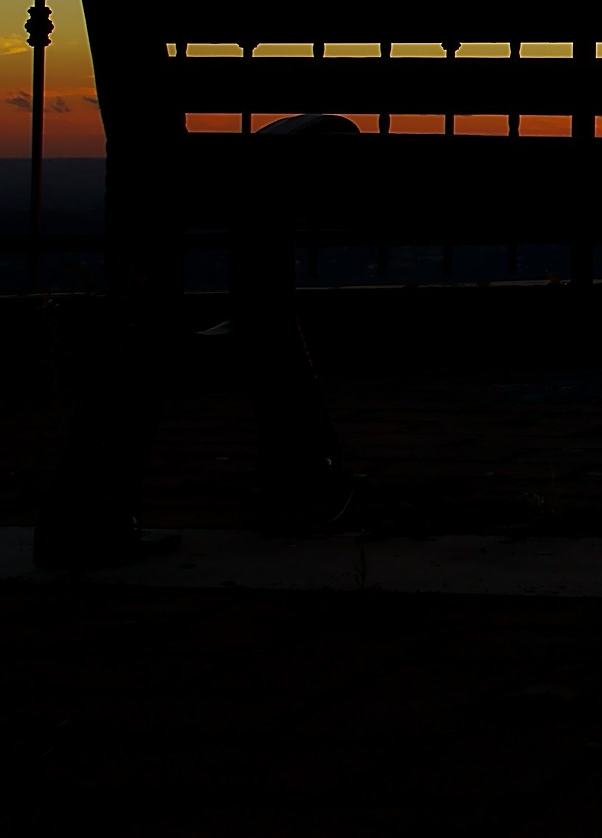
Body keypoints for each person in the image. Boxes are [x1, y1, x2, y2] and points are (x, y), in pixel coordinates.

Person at [34, 114, 368, 571]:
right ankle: (299, 475)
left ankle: (91, 510)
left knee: (253, 188)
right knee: (269, 184)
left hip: (163, 161)